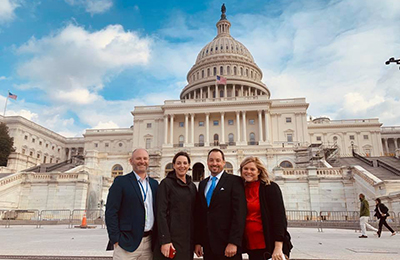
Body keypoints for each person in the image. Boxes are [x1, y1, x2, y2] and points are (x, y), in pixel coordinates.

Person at [105, 148, 159, 260]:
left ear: (149, 161)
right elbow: (111, 212)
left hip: (149, 243)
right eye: (138, 158)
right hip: (126, 243)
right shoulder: (121, 182)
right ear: (131, 161)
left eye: (145, 158)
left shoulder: (154, 184)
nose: (142, 161)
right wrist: (115, 238)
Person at [195, 148, 247, 260]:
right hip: (208, 247)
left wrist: (234, 242)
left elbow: (239, 214)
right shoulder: (203, 184)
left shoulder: (235, 182)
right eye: (211, 160)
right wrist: (198, 242)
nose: (214, 163)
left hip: (228, 246)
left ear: (224, 162)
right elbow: (201, 215)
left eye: (218, 160)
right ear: (207, 162)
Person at [240, 157, 292, 260]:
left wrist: (278, 247)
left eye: (252, 169)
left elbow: (279, 219)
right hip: (251, 244)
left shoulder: (270, 187)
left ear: (259, 171)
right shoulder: (241, 189)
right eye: (245, 169)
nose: (248, 172)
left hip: (269, 245)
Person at [154, 151, 197, 260]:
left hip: (187, 241)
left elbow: (195, 215)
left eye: (185, 163)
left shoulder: (192, 186)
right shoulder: (166, 184)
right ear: (173, 165)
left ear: (189, 165)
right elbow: (161, 213)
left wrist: (197, 241)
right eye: (178, 163)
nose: (182, 166)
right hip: (171, 241)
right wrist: (165, 240)